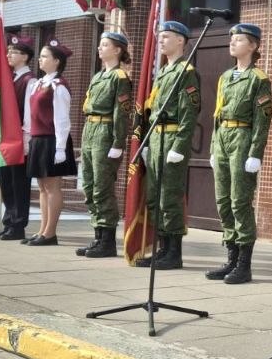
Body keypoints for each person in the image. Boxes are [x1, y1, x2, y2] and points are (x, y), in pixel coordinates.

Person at [206, 23, 272, 284]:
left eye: (240, 39)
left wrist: (255, 153)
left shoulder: (258, 79)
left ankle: (244, 265)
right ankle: (231, 259)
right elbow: (217, 115)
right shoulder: (225, 77)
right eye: (232, 38)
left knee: (239, 201)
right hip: (223, 137)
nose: (233, 42)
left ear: (253, 46)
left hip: (243, 138)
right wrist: (213, 147)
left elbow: (262, 120)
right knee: (223, 200)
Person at [134, 21, 200, 270]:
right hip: (156, 137)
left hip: (172, 137)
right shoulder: (162, 72)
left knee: (169, 197)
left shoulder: (186, 71)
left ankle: (174, 253)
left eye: (166, 37)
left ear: (180, 40)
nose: (160, 41)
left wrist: (179, 147)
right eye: (160, 37)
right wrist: (148, 142)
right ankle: (162, 249)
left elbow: (189, 114)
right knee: (154, 197)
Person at [77, 31, 132, 258]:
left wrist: (118, 142)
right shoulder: (98, 76)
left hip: (105, 132)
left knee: (102, 187)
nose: (100, 48)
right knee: (89, 186)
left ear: (117, 50)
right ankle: (98, 236)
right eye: (100, 44)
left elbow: (121, 113)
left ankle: (107, 241)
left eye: (105, 45)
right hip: (90, 129)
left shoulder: (120, 77)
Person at [22, 40, 78, 246]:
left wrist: (60, 148)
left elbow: (62, 119)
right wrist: (28, 137)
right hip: (38, 139)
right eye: (41, 56)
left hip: (52, 140)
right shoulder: (39, 84)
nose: (40, 59)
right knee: (42, 187)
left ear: (57, 61)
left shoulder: (58, 86)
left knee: (52, 186)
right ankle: (42, 230)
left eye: (45, 56)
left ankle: (50, 233)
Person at [0, 35, 36, 241]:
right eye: (8, 51)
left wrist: (26, 139)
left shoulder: (29, 80)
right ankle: (9, 221)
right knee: (6, 181)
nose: (8, 55)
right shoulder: (11, 78)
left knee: (19, 183)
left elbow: (28, 113)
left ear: (25, 57)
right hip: (6, 138)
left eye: (13, 52)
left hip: (19, 138)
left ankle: (18, 225)